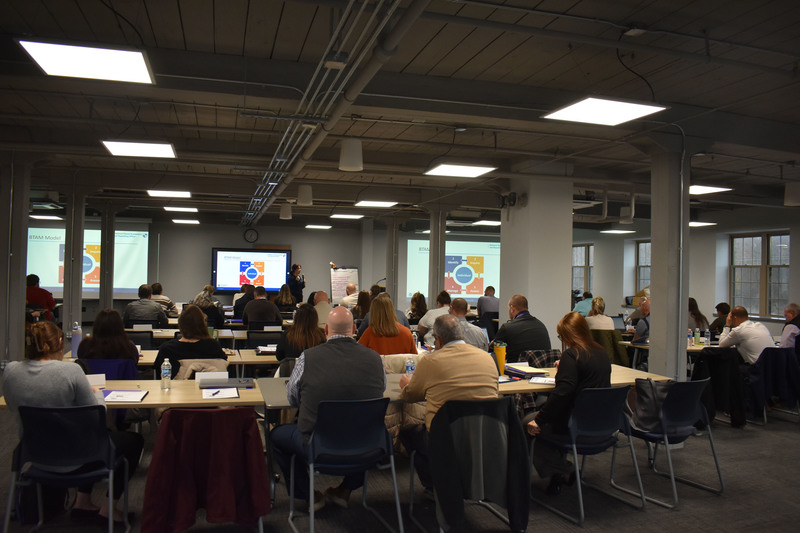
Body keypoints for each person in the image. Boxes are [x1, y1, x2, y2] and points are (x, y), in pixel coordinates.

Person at [3, 322, 144, 523]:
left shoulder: (10, 371)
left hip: (35, 455)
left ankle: (83, 502)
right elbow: (97, 418)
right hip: (79, 456)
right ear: (60, 342)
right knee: (132, 441)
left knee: (92, 439)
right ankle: (107, 509)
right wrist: (98, 395)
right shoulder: (70, 372)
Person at [271, 307, 385, 510]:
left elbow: (293, 399)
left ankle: (309, 496)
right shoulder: (375, 358)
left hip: (317, 444)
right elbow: (379, 390)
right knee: (365, 427)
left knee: (277, 436)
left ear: (325, 330)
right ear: (355, 329)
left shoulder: (308, 358)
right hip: (366, 445)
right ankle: (345, 490)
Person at [399, 314, 499, 492]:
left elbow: (410, 396)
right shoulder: (487, 358)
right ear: (461, 333)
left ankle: (434, 486)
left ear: (437, 340)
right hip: (485, 434)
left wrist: (406, 385)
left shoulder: (431, 361)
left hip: (444, 437)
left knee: (408, 433)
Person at [525, 312, 611, 495]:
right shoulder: (602, 352)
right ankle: (559, 473)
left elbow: (562, 394)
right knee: (548, 419)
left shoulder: (572, 355)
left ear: (567, 335)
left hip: (576, 426)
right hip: (603, 426)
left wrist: (539, 420)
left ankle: (564, 469)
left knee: (527, 424)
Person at [153, 305, 226, 379]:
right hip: (209, 388)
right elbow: (222, 365)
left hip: (176, 389)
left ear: (180, 325)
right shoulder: (214, 346)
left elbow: (160, 374)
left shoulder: (167, 349)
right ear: (203, 324)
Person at [492, 294, 550, 362]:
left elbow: (493, 352)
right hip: (542, 370)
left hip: (516, 370)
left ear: (512, 308)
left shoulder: (507, 327)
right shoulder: (541, 325)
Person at [275, 304, 326, 376]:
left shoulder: (287, 334)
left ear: (296, 318)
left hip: (289, 375)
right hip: (315, 376)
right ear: (315, 318)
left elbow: (279, 356)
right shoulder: (321, 335)